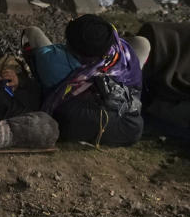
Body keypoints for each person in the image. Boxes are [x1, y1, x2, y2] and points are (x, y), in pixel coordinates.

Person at [23, 15, 149, 146]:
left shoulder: (52, 63)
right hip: (116, 100)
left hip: (79, 105)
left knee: (33, 31)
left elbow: (32, 34)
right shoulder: (123, 55)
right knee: (142, 43)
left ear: (71, 46)